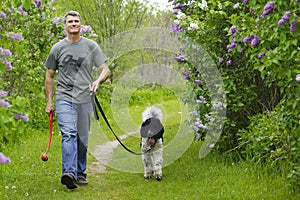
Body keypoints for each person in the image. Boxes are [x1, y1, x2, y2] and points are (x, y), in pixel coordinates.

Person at [44, 10, 110, 189]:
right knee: (69, 133)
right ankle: (69, 173)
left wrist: (98, 81)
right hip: (64, 97)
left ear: (81, 25)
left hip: (85, 99)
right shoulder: (57, 48)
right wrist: (50, 102)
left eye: (76, 21)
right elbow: (50, 75)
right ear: (65, 26)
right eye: (70, 21)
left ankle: (80, 174)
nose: (73, 24)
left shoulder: (91, 46)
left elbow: (105, 68)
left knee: (82, 138)